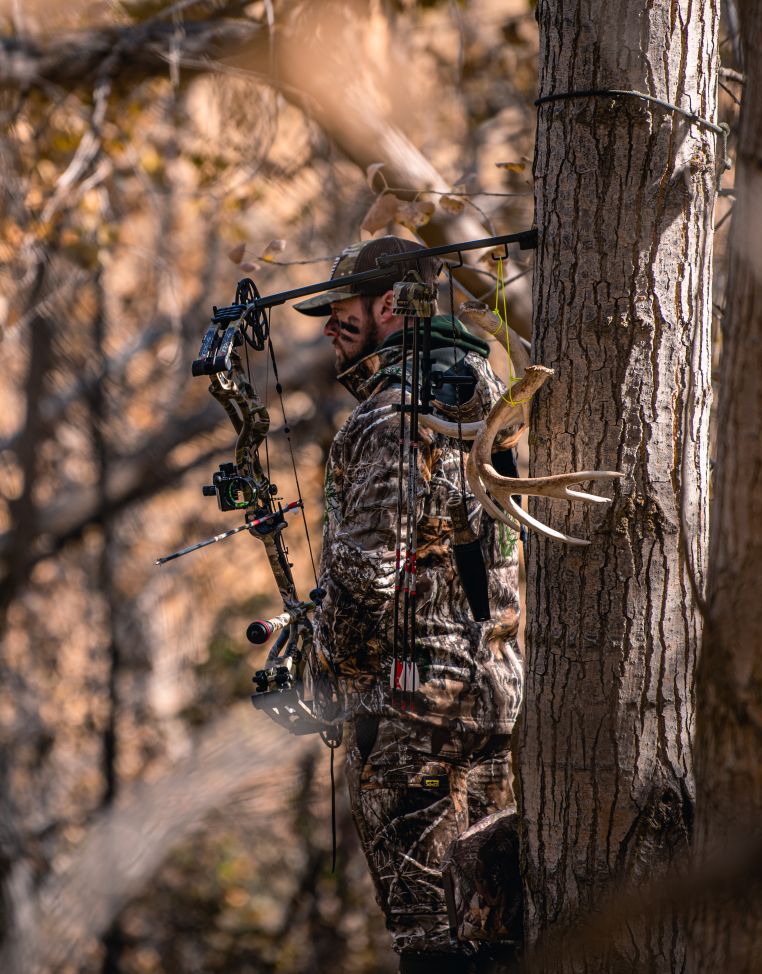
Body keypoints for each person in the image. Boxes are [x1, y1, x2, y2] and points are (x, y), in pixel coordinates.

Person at [294, 236, 523, 972]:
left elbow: (367, 583)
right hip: (498, 707)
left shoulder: (386, 418)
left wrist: (321, 666)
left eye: (342, 310)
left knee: (432, 946)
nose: (330, 328)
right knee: (495, 937)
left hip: (412, 720)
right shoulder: (492, 403)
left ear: (391, 303)